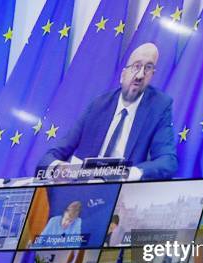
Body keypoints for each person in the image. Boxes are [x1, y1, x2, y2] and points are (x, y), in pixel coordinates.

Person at [38, 43, 178, 181]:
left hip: (122, 193)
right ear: (123, 75)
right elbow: (50, 156)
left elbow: (168, 162)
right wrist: (58, 168)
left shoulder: (159, 106)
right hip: (83, 191)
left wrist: (129, 174)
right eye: (136, 66)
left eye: (148, 68)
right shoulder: (98, 106)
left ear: (152, 75)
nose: (140, 75)